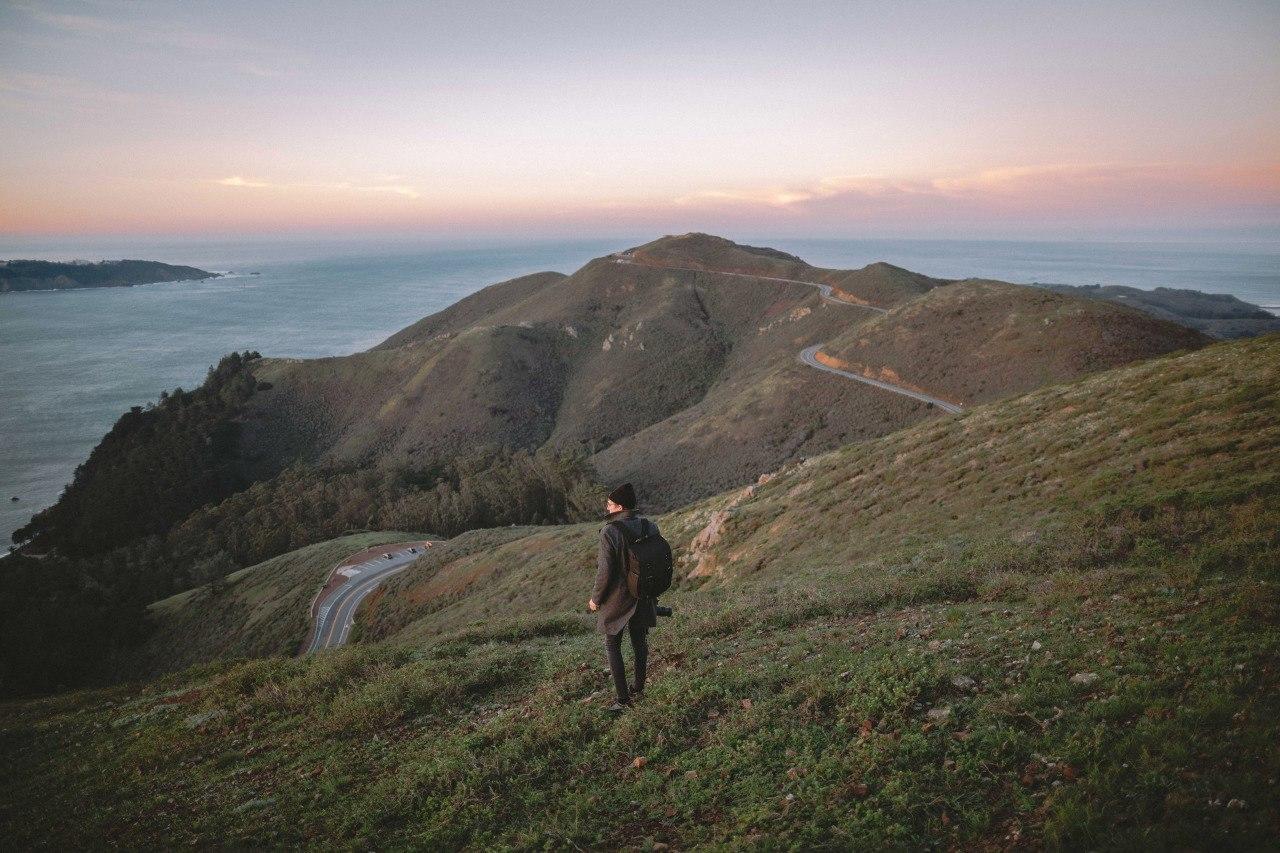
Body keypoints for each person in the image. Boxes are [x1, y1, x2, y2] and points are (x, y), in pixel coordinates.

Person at [589, 482, 658, 713]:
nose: (607, 508)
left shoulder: (610, 532)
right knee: (640, 642)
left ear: (618, 506)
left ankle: (622, 700)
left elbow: (605, 571)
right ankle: (638, 689)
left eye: (609, 504)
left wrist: (595, 599)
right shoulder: (650, 526)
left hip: (618, 597)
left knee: (612, 644)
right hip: (644, 594)